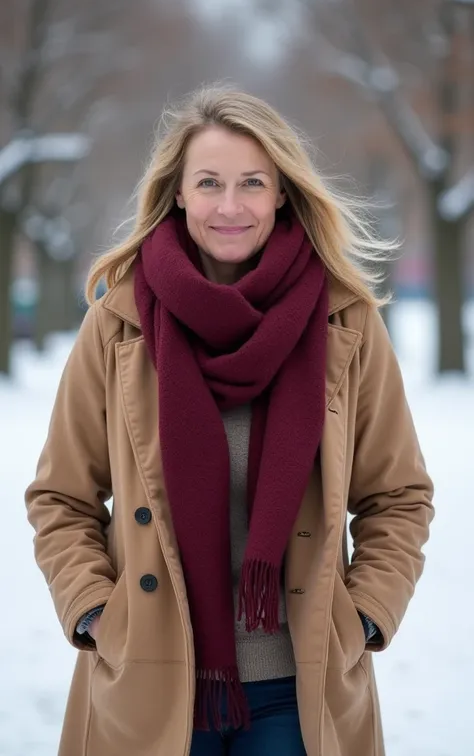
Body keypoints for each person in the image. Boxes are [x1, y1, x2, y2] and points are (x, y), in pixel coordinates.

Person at [25, 85, 434, 756]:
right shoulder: (119, 320)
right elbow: (61, 496)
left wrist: (361, 619)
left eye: (252, 183)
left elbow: (398, 497)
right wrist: (99, 614)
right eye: (209, 182)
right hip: (150, 682)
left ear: (281, 193)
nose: (230, 205)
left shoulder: (345, 320)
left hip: (300, 689)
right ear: (179, 192)